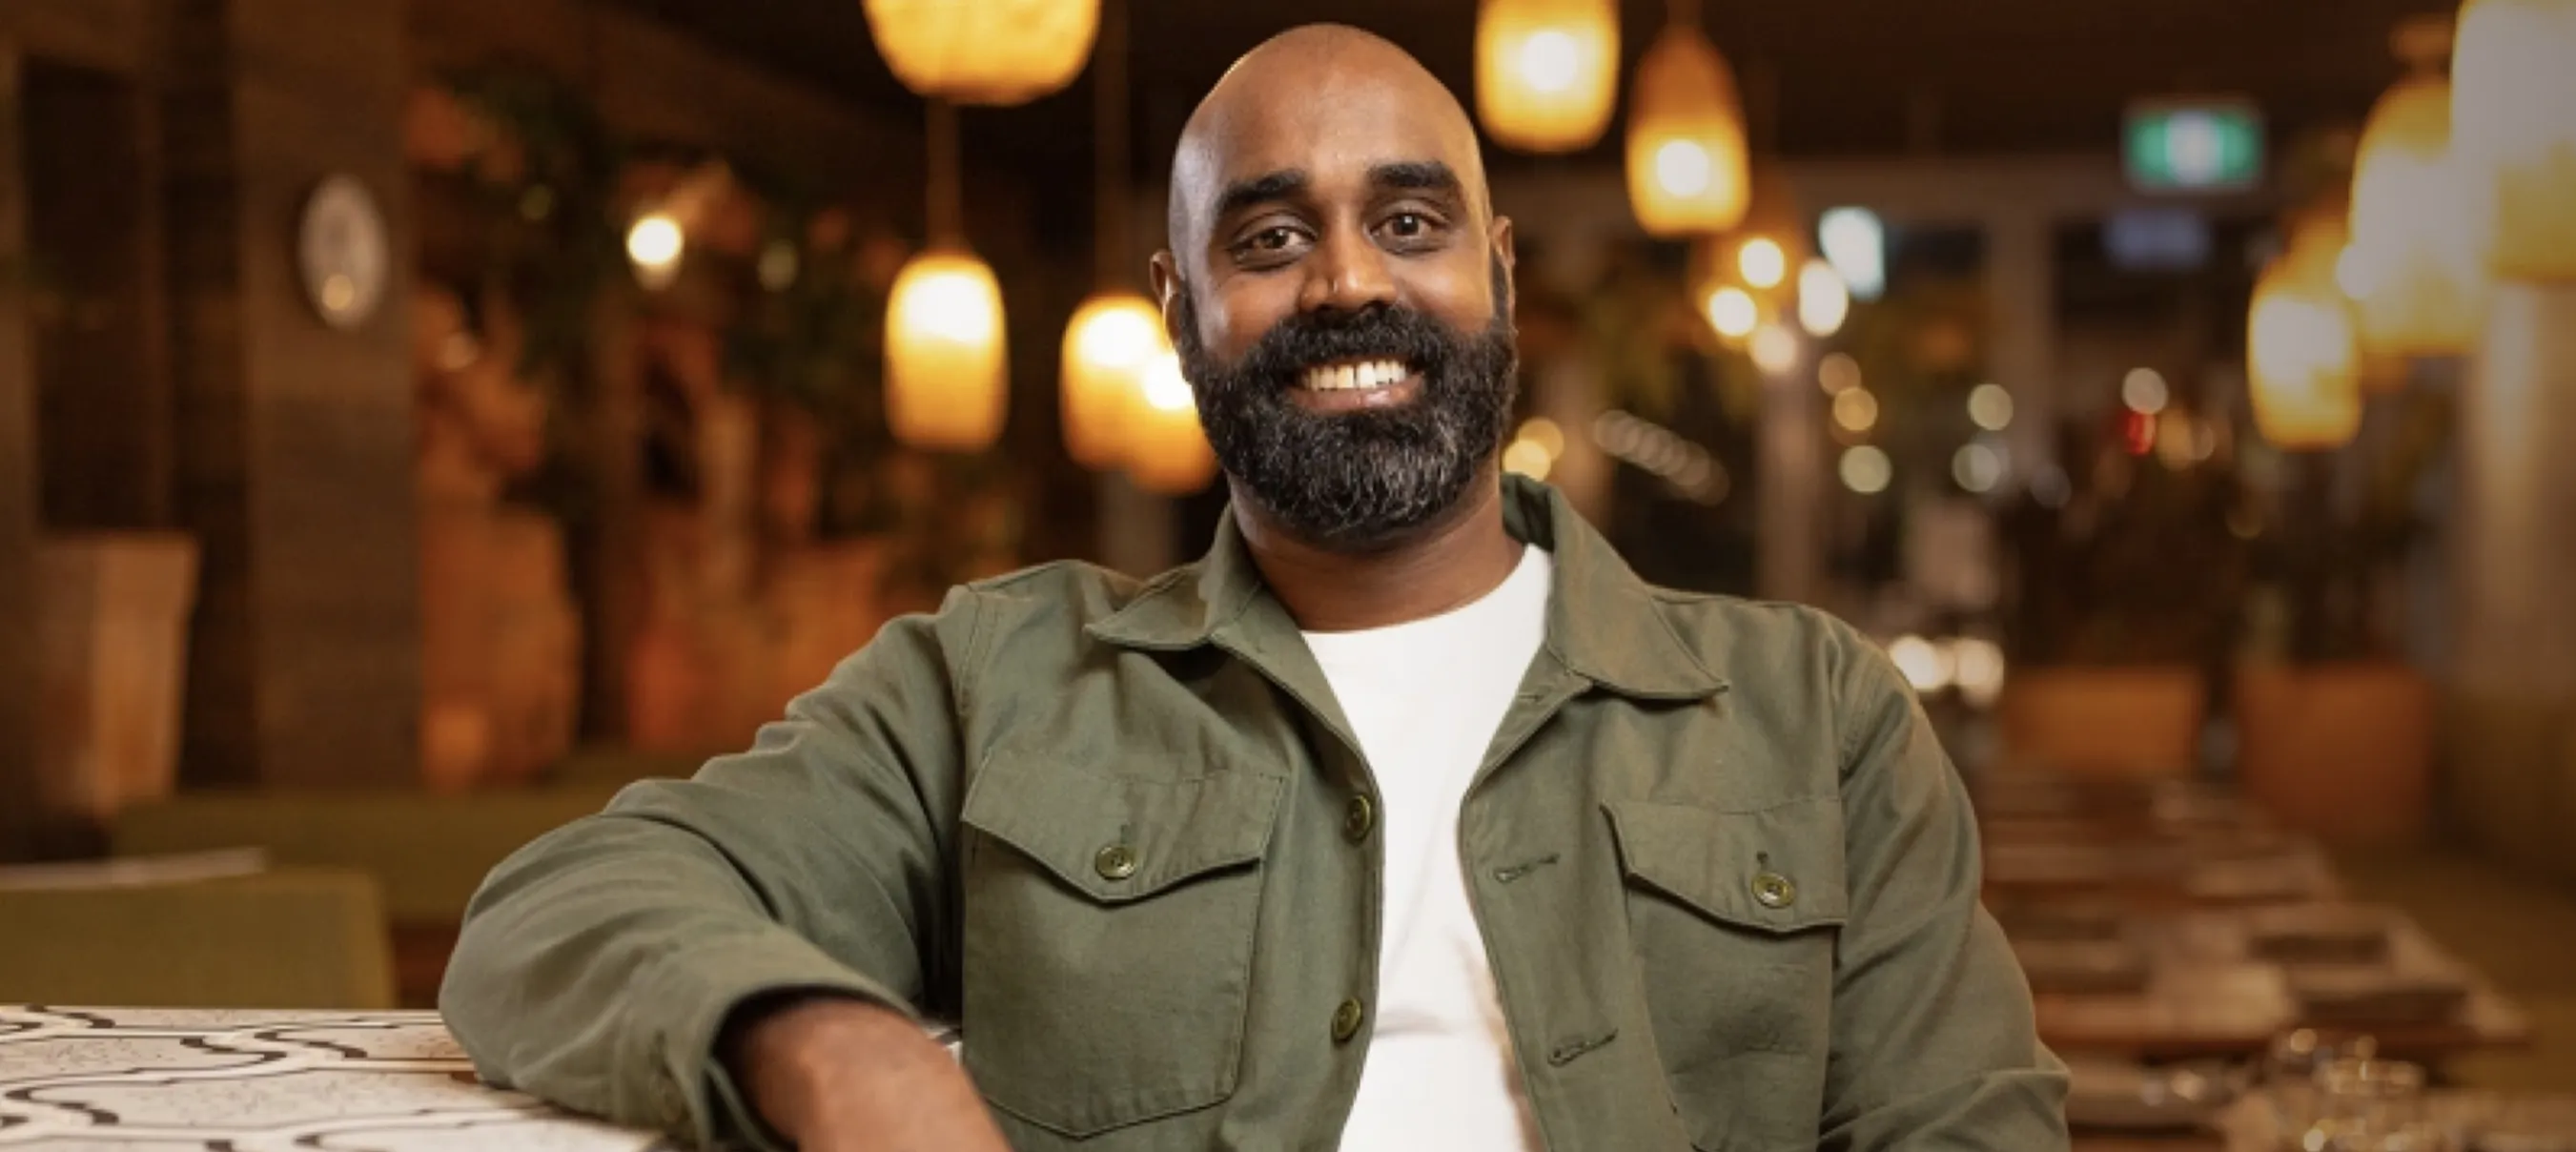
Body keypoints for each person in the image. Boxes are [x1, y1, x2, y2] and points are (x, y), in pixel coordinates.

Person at [440, 24, 2068, 1152]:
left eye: (1410, 220)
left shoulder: (1815, 715)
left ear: (1497, 275)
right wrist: (835, 1046)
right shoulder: (993, 682)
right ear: (1180, 311)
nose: (1349, 279)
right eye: (1271, 235)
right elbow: (555, 914)